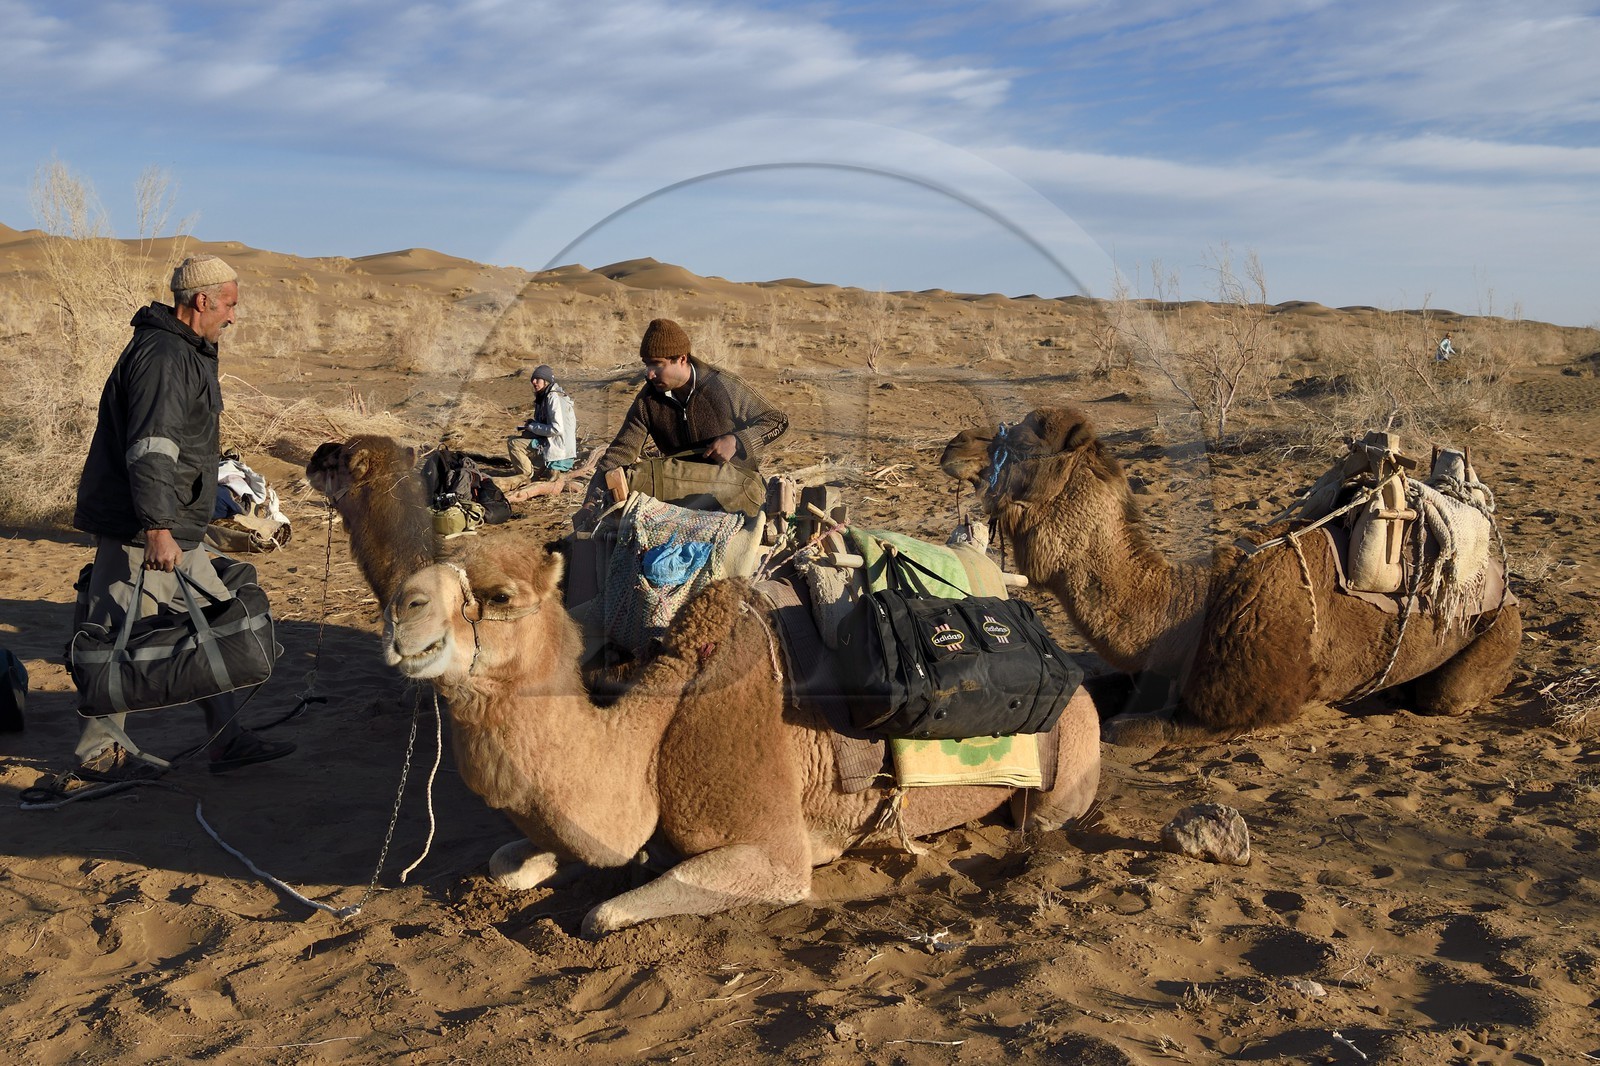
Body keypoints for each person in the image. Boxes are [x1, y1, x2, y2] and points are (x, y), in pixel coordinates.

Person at [67, 254, 295, 781]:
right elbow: (150, 450)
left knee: (216, 623)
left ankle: (225, 738)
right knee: (118, 637)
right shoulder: (164, 355)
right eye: (231, 305)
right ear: (203, 300)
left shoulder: (189, 350)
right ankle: (98, 754)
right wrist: (157, 528)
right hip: (144, 530)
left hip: (178, 523)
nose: (234, 316)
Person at [591, 317, 788, 490]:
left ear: (682, 359)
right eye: (646, 364)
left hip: (737, 490)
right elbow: (621, 452)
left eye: (657, 365)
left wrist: (737, 441)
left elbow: (778, 421)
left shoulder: (724, 386)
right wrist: (591, 501)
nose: (649, 374)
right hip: (680, 491)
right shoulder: (647, 400)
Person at [505, 363, 578, 481]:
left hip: (558, 449)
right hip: (558, 445)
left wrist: (533, 426)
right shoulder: (548, 396)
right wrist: (531, 426)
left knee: (513, 444)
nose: (534, 382)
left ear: (546, 381)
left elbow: (556, 429)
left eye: (537, 379)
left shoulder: (553, 398)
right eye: (533, 379)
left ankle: (526, 478)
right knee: (523, 436)